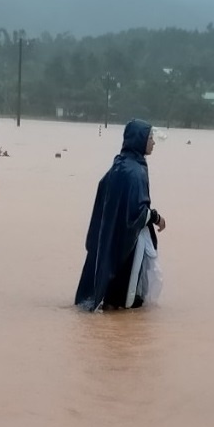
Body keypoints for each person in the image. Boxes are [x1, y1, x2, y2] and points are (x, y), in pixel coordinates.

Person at [75, 119, 166, 311]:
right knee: (125, 298)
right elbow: (136, 212)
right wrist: (157, 218)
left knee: (114, 288)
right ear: (140, 140)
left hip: (113, 237)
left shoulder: (121, 165)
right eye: (150, 138)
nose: (153, 143)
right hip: (128, 242)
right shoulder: (133, 171)